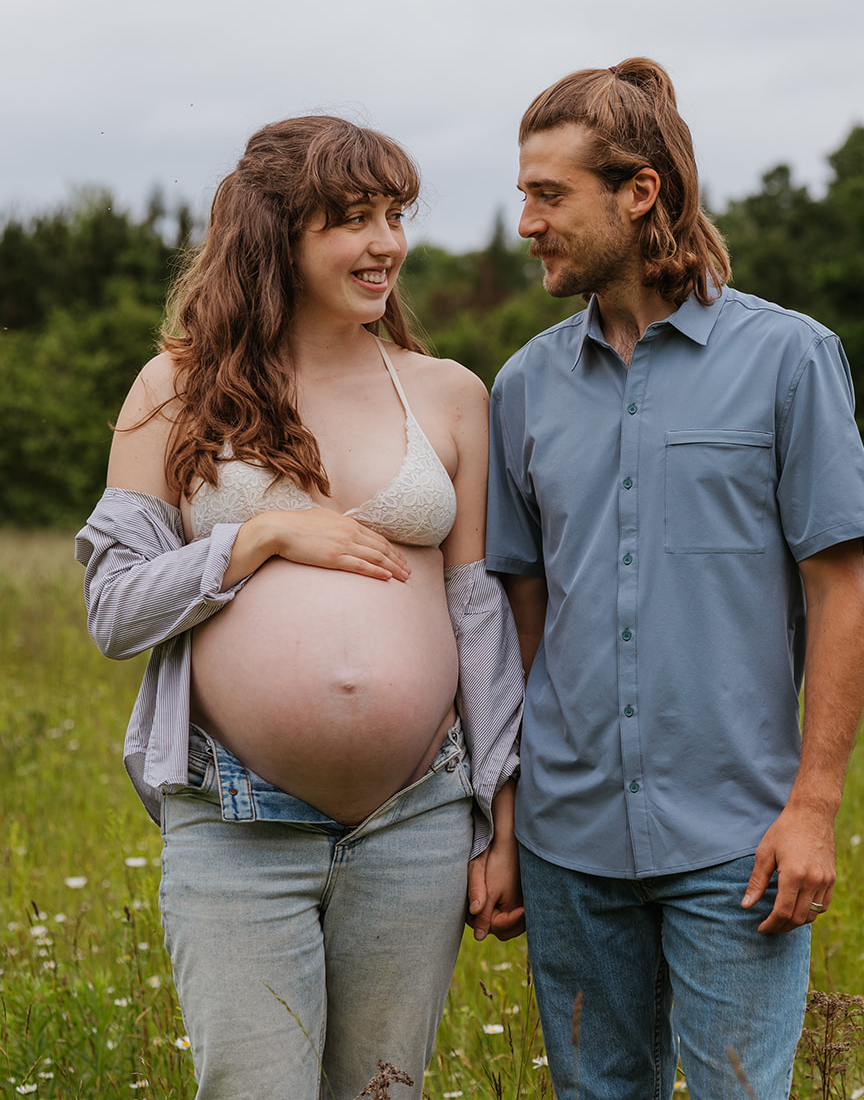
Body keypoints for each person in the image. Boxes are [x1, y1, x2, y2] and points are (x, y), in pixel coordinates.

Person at [74, 116, 523, 1100]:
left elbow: (478, 613)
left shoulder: (448, 395)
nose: (385, 244)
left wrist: (502, 813)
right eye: (351, 219)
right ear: (277, 234)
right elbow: (112, 606)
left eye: (395, 215)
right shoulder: (174, 389)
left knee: (380, 1091)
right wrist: (257, 539)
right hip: (236, 817)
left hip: (416, 817)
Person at [485, 59, 864, 1097]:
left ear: (639, 192)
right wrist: (514, 815)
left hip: (737, 841)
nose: (525, 220)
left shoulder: (789, 359)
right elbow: (523, 609)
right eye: (523, 192)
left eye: (547, 194)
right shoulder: (523, 388)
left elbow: (837, 595)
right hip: (569, 843)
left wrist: (814, 807)